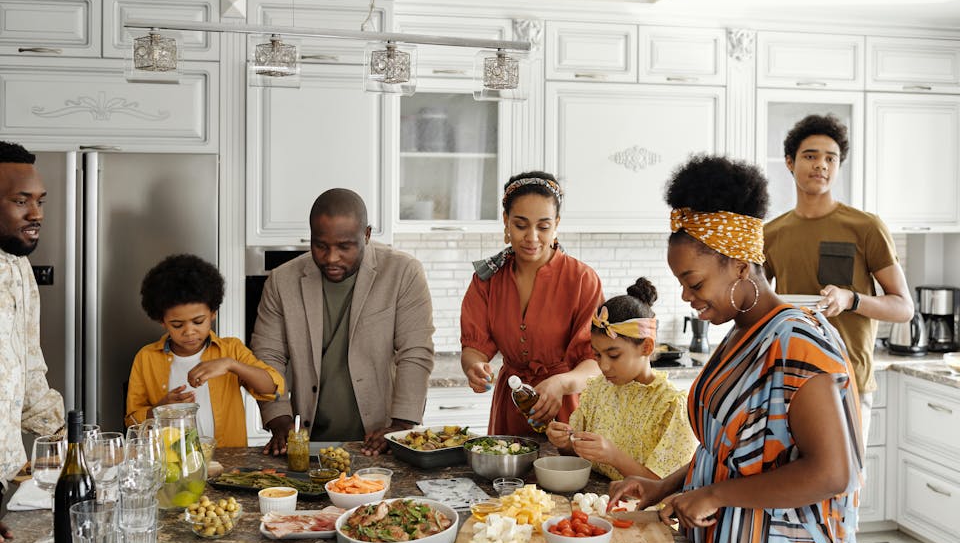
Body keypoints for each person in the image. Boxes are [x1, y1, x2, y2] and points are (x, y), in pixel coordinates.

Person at [610, 155, 864, 543]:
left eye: (695, 283)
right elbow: (728, 452)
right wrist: (663, 486)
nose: (686, 296)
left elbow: (832, 474)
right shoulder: (741, 333)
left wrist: (714, 495)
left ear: (741, 267)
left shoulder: (798, 342)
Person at [253, 188, 435, 456]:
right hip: (309, 441)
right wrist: (278, 418)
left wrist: (401, 426)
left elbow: (415, 352)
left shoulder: (403, 272)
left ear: (367, 235)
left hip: (380, 438)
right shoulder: (282, 281)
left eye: (344, 247)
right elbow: (268, 355)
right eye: (321, 245)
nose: (331, 258)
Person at [764, 114, 913, 440]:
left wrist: (851, 299)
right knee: (790, 473)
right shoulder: (771, 234)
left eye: (830, 158)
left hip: (847, 380)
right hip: (789, 379)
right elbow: (756, 303)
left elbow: (904, 308)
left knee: (846, 473)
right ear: (789, 162)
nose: (821, 164)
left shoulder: (866, 227)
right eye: (810, 156)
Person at [460, 171, 603, 436]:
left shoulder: (582, 280)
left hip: (567, 407)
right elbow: (474, 347)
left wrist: (561, 383)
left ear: (556, 224)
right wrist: (474, 367)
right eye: (521, 225)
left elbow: (596, 362)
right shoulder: (486, 281)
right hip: (510, 406)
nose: (532, 237)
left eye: (543, 227)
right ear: (506, 221)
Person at [545, 277, 697, 481]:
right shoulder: (598, 389)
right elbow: (578, 455)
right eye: (597, 355)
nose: (603, 366)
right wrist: (565, 444)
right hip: (597, 498)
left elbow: (663, 485)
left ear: (646, 347)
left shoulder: (671, 406)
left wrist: (613, 456)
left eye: (614, 355)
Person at [126, 254, 284, 447]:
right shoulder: (146, 358)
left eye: (198, 321)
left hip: (227, 459)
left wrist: (231, 365)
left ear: (213, 313)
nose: (189, 331)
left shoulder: (230, 350)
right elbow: (132, 421)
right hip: (170, 460)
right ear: (162, 321)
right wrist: (161, 410)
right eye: (177, 325)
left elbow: (272, 388)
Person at [0, 141, 65, 543]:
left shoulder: (19, 269)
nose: (36, 213)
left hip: (5, 478)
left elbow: (28, 371)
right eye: (20, 201)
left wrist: (69, 444)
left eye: (39, 201)